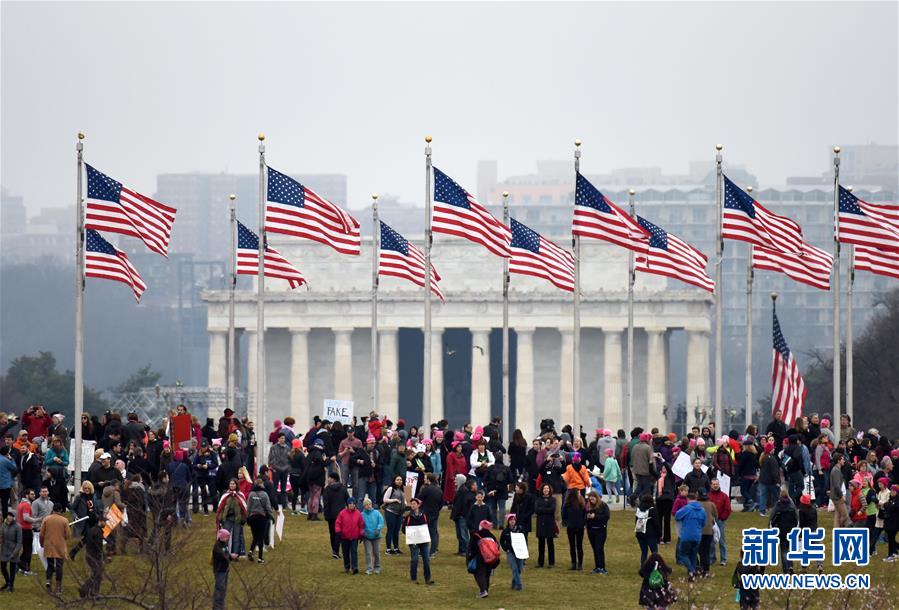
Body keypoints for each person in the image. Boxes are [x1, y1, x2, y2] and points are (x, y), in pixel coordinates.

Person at [69, 512, 104, 599]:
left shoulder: (91, 531)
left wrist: (74, 552)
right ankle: (88, 590)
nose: (106, 524)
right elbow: (99, 546)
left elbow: (82, 542)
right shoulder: (98, 532)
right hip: (95, 556)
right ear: (100, 521)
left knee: (97, 574)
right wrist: (104, 556)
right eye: (105, 521)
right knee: (97, 574)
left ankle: (92, 592)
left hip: (89, 555)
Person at [674, 492, 706, 580]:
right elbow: (704, 523)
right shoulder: (702, 510)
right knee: (693, 555)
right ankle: (691, 575)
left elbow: (676, 516)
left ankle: (692, 570)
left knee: (683, 554)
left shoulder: (686, 508)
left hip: (686, 535)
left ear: (688, 499)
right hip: (697, 536)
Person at [40, 503, 70, 594]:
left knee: (50, 565)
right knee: (59, 566)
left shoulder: (46, 519)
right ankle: (58, 587)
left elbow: (42, 534)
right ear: (60, 510)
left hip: (49, 545)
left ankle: (48, 582)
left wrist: (42, 544)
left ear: (53, 509)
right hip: (60, 546)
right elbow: (68, 535)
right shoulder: (64, 520)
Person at [403, 497, 434, 585]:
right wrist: (410, 534)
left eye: (414, 504)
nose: (413, 505)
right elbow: (403, 529)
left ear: (418, 505)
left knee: (426, 559)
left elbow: (429, 525)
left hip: (424, 541)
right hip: (414, 541)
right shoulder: (408, 516)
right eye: (411, 504)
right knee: (415, 559)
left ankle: (427, 578)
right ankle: (413, 578)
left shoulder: (424, 515)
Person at [215, 479, 247, 560]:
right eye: (231, 484)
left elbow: (244, 508)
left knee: (236, 537)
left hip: (237, 519)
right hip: (227, 519)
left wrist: (243, 519)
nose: (232, 485)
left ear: (236, 485)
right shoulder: (225, 495)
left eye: (233, 484)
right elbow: (220, 507)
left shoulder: (240, 495)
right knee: (225, 537)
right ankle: (225, 554)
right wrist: (220, 518)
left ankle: (235, 554)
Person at [468, 518, 499, 599]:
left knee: (479, 574)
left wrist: (470, 557)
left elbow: (472, 547)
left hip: (480, 558)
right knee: (487, 574)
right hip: (491, 558)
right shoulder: (492, 536)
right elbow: (497, 547)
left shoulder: (476, 535)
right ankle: (486, 590)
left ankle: (483, 591)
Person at [769, 490, 798, 573]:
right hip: (791, 530)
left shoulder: (778, 506)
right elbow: (796, 518)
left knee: (783, 550)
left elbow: (772, 518)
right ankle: (790, 566)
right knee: (789, 549)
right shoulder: (792, 506)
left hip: (781, 530)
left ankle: (786, 569)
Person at [246, 478, 275, 563]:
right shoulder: (264, 494)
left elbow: (248, 507)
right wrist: (271, 516)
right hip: (262, 518)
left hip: (253, 517)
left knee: (255, 536)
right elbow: (268, 507)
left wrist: (247, 517)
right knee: (261, 537)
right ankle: (260, 558)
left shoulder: (251, 494)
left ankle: (251, 551)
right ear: (262, 484)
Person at [335, 497, 364, 574]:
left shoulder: (358, 513)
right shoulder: (342, 513)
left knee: (354, 552)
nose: (352, 505)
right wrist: (338, 532)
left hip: (354, 537)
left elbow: (361, 524)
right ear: (347, 504)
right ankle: (347, 567)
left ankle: (354, 567)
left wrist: (361, 534)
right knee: (345, 552)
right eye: (350, 503)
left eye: (353, 503)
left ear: (355, 504)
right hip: (344, 536)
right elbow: (338, 523)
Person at [323, 471, 348, 559]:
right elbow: (348, 501)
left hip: (331, 515)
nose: (328, 479)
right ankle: (336, 550)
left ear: (333, 479)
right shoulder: (343, 488)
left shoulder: (327, 489)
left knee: (332, 533)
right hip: (341, 515)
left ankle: (334, 549)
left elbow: (325, 503)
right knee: (339, 533)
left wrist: (326, 515)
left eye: (329, 477)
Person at [417, 473, 443, 556]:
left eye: (425, 478)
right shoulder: (439, 489)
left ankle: (422, 551)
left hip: (425, 513)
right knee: (433, 532)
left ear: (429, 480)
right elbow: (441, 503)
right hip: (435, 513)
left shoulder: (426, 489)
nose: (424, 479)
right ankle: (433, 551)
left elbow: (418, 498)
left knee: (424, 532)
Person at [708, 477, 732, 566]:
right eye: (713, 484)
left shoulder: (724, 496)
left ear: (719, 484)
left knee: (721, 540)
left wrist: (722, 518)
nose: (715, 486)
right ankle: (712, 558)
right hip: (710, 521)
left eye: (716, 484)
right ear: (711, 485)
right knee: (711, 541)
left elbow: (728, 509)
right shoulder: (708, 496)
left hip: (720, 520)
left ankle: (723, 559)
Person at [585, 491, 610, 574]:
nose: (591, 500)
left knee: (599, 548)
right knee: (595, 549)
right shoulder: (588, 506)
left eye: (593, 498)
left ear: (596, 498)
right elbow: (584, 516)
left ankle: (602, 567)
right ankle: (597, 567)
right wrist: (587, 517)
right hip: (591, 530)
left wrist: (595, 516)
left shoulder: (603, 505)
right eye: (590, 499)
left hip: (600, 530)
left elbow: (606, 516)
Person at [499, 513, 525, 590]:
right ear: (508, 521)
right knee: (514, 568)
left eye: (513, 520)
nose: (512, 521)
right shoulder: (505, 531)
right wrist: (506, 549)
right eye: (511, 520)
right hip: (510, 552)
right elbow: (501, 541)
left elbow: (524, 539)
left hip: (519, 551)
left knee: (519, 569)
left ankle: (513, 584)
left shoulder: (520, 529)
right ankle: (519, 585)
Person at [382, 474, 406, 555]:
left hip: (399, 513)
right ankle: (388, 549)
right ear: (394, 481)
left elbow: (405, 500)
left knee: (396, 531)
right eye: (397, 480)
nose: (399, 481)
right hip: (390, 512)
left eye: (400, 480)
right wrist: (394, 500)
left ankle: (396, 548)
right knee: (390, 530)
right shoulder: (391, 488)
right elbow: (385, 499)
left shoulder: (403, 489)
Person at [535, 483, 557, 568]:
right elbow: (536, 510)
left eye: (547, 488)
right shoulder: (538, 500)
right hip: (540, 523)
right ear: (542, 490)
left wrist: (543, 509)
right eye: (544, 488)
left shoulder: (553, 499)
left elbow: (552, 509)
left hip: (549, 523)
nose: (546, 490)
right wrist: (545, 509)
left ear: (550, 490)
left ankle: (551, 563)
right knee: (541, 544)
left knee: (550, 543)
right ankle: (540, 562)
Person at [635, 494, 661, 567]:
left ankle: (643, 566)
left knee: (644, 551)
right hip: (650, 534)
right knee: (654, 552)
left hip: (640, 532)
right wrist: (659, 534)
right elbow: (656, 523)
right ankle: (656, 566)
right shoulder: (652, 509)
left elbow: (636, 521)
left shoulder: (639, 509)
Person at [451, 477, 475, 555]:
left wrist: (460, 514)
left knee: (463, 534)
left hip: (462, 516)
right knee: (460, 534)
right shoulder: (460, 489)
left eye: (456, 479)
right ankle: (461, 550)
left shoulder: (463, 491)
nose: (454, 481)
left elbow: (462, 504)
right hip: (459, 515)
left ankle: (467, 551)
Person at [697, 490, 718, 577]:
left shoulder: (696, 504)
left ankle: (700, 568)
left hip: (699, 531)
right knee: (706, 551)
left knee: (700, 551)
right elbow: (716, 516)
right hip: (709, 531)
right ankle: (706, 569)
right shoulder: (711, 504)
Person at [361, 497, 384, 575]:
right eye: (366, 505)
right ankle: (369, 568)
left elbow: (381, 521)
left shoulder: (377, 513)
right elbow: (360, 526)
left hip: (376, 536)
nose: (368, 506)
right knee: (368, 553)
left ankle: (377, 567)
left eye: (369, 504)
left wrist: (378, 529)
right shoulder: (362, 515)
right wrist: (363, 532)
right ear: (364, 506)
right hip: (367, 537)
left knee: (376, 552)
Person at [0, 509, 21, 592]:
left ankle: (11, 586)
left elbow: (19, 542)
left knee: (12, 569)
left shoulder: (18, 527)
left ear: (14, 517)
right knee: (3, 567)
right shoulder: (4, 525)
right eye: (8, 515)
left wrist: (14, 553)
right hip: (4, 549)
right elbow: (1, 534)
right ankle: (7, 582)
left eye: (11, 516)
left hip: (13, 550)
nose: (9, 517)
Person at [564, 489, 586, 570]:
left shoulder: (581, 504)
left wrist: (583, 523)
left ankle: (579, 563)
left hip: (579, 527)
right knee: (573, 546)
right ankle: (574, 563)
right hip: (572, 527)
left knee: (578, 546)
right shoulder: (568, 505)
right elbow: (564, 515)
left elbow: (584, 515)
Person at [212, 528, 233, 610]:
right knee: (219, 588)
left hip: (225, 569)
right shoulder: (217, 546)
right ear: (222, 537)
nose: (228, 539)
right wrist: (228, 557)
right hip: (219, 570)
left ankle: (221, 604)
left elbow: (227, 554)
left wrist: (231, 557)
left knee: (223, 588)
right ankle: (217, 606)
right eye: (227, 537)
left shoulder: (225, 545)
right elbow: (222, 556)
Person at [830, 452, 851, 528]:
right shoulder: (836, 470)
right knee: (845, 515)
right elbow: (836, 485)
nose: (844, 461)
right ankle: (840, 527)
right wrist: (841, 495)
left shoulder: (836, 470)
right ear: (838, 461)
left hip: (835, 496)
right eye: (842, 459)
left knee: (837, 514)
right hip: (837, 497)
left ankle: (836, 529)